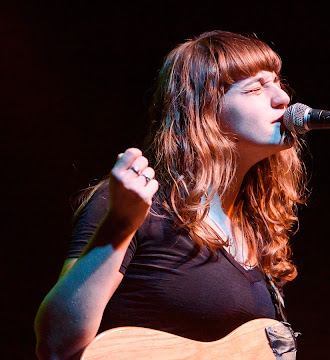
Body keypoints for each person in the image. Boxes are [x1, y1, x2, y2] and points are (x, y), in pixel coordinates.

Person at [34, 30, 307, 359]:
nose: (282, 99)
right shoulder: (137, 205)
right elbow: (55, 343)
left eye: (277, 83)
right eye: (255, 88)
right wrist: (120, 225)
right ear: (204, 109)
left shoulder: (256, 230)